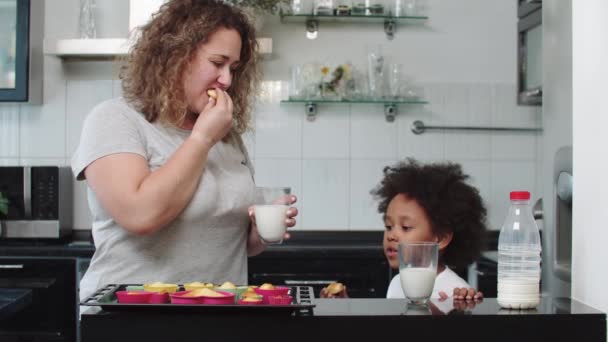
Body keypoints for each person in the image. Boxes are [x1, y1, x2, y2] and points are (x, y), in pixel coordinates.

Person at [72, 0, 298, 300]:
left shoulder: (227, 137)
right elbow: (141, 216)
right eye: (217, 63)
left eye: (234, 68)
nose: (227, 80)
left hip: (217, 316)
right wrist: (202, 139)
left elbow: (230, 241)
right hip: (132, 316)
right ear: (175, 56)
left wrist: (260, 233)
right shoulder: (115, 119)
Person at [321, 159, 486, 301]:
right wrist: (345, 306)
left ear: (441, 238)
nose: (391, 236)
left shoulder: (455, 293)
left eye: (405, 227)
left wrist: (462, 307)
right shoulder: (397, 283)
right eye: (388, 226)